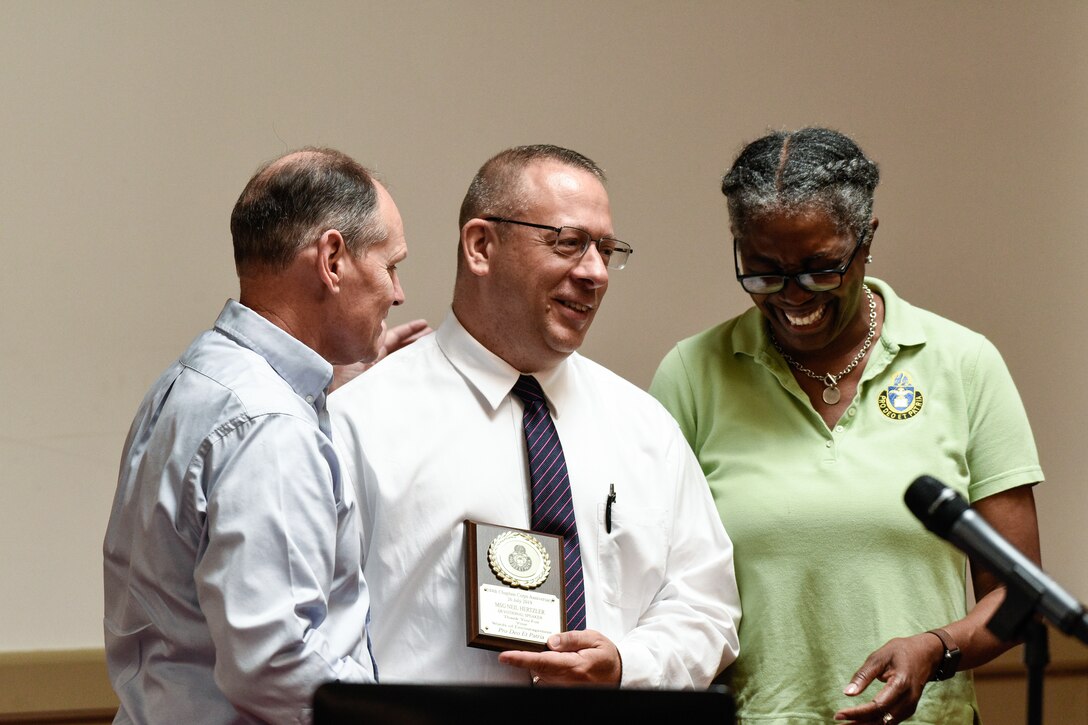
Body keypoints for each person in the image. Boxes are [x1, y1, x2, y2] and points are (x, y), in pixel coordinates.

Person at [649, 128, 1043, 724]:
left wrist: (935, 649)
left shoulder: (963, 364)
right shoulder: (691, 374)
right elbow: (654, 589)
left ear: (867, 240)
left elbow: (1019, 597)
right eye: (763, 271)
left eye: (820, 269)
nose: (792, 295)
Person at [329, 144, 741, 688]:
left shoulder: (645, 428)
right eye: (569, 243)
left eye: (607, 249)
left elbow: (707, 608)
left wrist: (627, 665)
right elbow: (320, 637)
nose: (596, 272)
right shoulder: (358, 422)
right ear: (481, 246)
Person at [103, 148, 412, 723]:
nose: (398, 294)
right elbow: (275, 663)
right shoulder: (270, 425)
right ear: (333, 260)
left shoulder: (197, 377)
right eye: (391, 266)